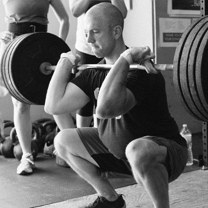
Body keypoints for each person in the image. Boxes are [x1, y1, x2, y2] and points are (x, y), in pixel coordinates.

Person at [44, 3, 188, 208]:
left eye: (95, 32)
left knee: (136, 150)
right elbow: (54, 105)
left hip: (164, 153)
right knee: (63, 140)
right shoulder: (94, 71)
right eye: (86, 33)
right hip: (118, 153)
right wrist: (64, 63)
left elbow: (106, 108)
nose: (89, 40)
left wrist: (126, 59)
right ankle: (110, 199)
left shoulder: (141, 72)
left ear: (116, 31)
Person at [0, 0, 69, 175]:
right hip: (14, 52)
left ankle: (76, 149)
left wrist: (58, 48)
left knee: (55, 100)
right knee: (21, 105)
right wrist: (1, 37)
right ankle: (26, 157)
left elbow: (64, 19)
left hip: (42, 52)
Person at [55, 0, 127, 129]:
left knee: (112, 88)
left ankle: (110, 132)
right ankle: (82, 134)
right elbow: (75, 11)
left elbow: (122, 13)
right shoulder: (88, 39)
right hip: (85, 49)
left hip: (109, 48)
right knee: (85, 96)